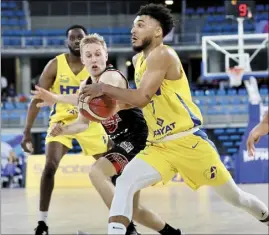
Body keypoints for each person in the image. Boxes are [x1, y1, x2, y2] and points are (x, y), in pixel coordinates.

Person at [78, 4, 269, 234]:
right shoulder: (139, 61)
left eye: (140, 24)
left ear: (158, 31)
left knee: (237, 198)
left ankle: (266, 218)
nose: (133, 30)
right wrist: (108, 108)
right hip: (159, 146)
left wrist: (103, 88)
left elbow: (141, 97)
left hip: (189, 142)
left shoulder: (163, 54)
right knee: (125, 182)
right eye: (133, 25)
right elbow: (138, 102)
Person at [32, 33, 182, 235]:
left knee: (97, 172)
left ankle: (126, 229)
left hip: (139, 140)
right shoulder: (85, 85)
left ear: (106, 56)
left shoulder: (111, 77)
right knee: (135, 210)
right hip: (124, 143)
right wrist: (64, 130)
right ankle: (172, 234)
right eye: (89, 55)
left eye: (97, 54)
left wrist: (57, 98)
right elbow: (82, 124)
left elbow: (96, 96)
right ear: (83, 60)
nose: (94, 59)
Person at [21, 25, 109, 235]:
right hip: (61, 120)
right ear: (67, 41)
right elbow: (38, 97)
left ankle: (124, 220)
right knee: (50, 165)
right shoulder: (55, 65)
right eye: (73, 37)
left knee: (111, 171)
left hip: (90, 121)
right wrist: (27, 131)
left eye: (81, 37)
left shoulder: (96, 64)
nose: (77, 40)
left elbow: (109, 96)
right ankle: (42, 222)